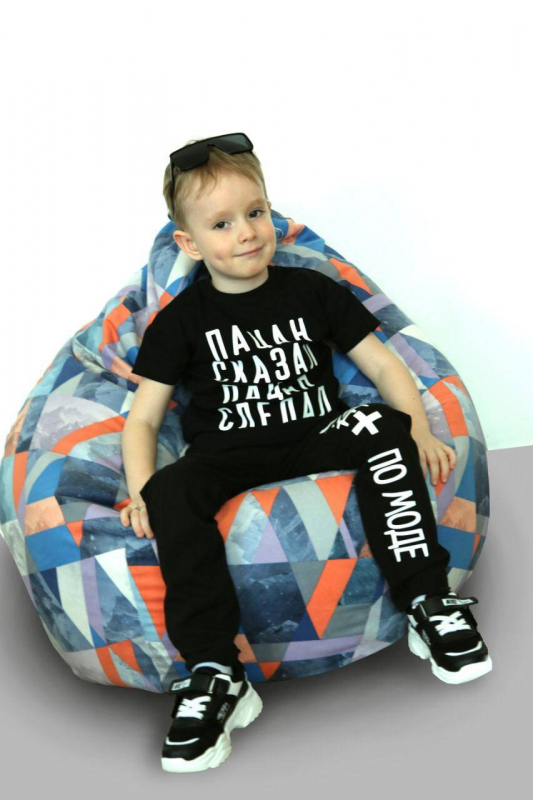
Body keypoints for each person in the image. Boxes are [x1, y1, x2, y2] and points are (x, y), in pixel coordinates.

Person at [120, 133, 492, 773]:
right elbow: (145, 419)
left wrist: (418, 431)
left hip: (315, 435)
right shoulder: (180, 320)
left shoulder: (311, 290)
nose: (246, 232)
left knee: (382, 425)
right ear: (189, 243)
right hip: (227, 454)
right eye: (221, 223)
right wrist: (141, 489)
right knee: (172, 491)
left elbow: (384, 366)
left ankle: (428, 601)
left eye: (256, 212)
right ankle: (215, 672)